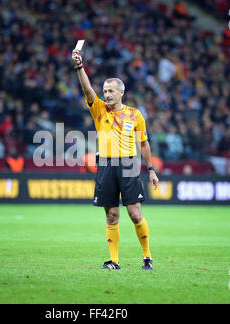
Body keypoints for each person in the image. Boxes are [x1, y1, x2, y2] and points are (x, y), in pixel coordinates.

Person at [72, 48, 159, 271]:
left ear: (122, 92)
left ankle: (147, 257)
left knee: (134, 213)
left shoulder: (135, 115)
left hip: (129, 164)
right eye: (105, 91)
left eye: (111, 91)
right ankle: (114, 261)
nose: (107, 94)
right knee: (112, 215)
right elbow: (87, 89)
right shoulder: (99, 109)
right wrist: (80, 66)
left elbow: (144, 144)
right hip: (106, 164)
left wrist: (150, 169)